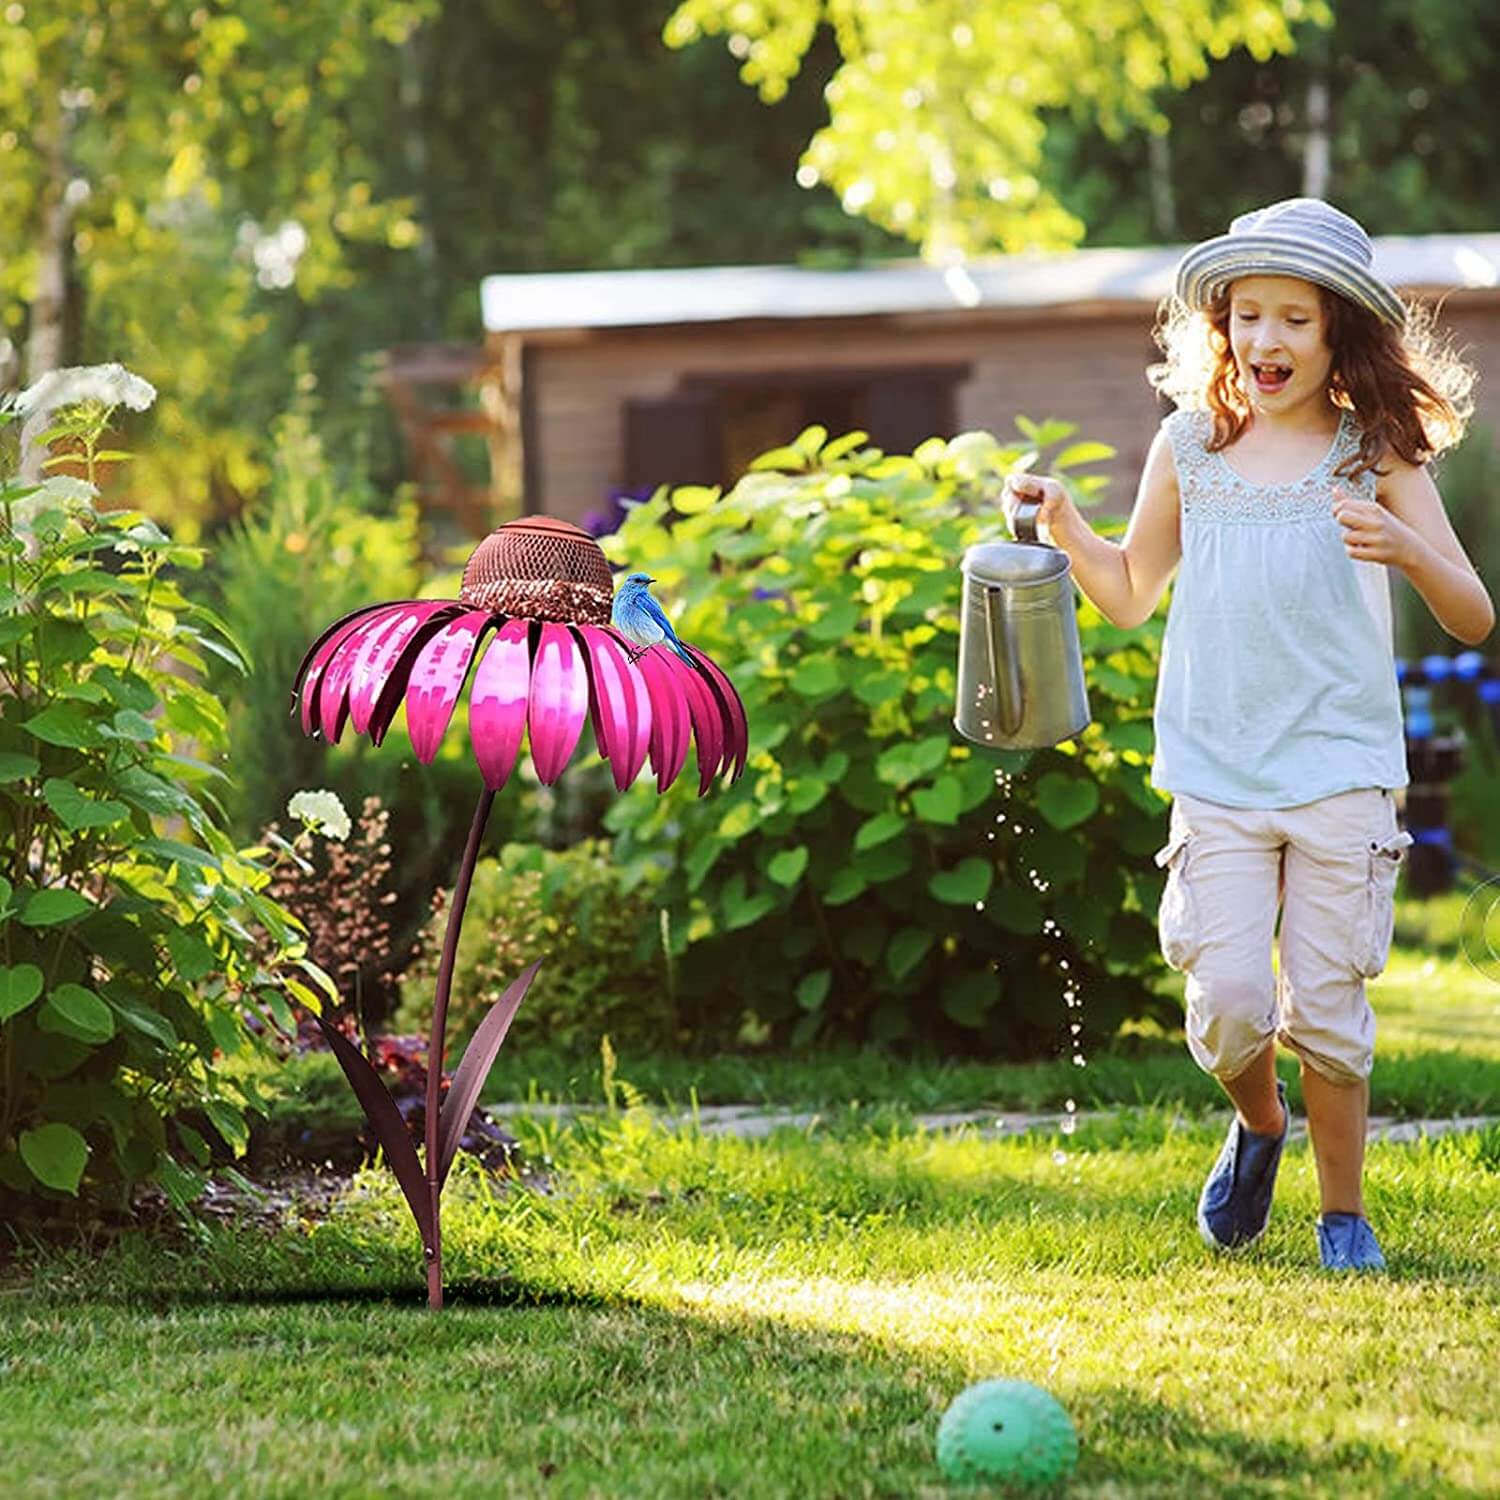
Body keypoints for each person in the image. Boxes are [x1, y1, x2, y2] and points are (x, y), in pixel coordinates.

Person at [1003, 198, 1494, 1272]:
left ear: (1339, 338)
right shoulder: (1189, 446)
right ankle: (1260, 1123)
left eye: (1295, 321)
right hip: (1219, 769)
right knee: (1226, 1006)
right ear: (1220, 326)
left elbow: (1475, 611)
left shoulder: (1377, 454)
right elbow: (1130, 591)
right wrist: (1064, 527)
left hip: (1339, 772)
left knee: (1326, 1009)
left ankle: (1342, 1213)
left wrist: (1408, 555)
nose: (1265, 341)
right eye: (1248, 317)